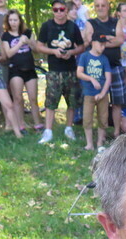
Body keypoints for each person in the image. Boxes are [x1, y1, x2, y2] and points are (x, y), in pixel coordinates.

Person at [36, 0, 85, 143]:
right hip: (54, 71)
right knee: (50, 102)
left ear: (66, 10)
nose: (59, 12)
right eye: (55, 9)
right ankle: (48, 131)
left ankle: (69, 129)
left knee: (72, 102)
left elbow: (81, 47)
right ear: (52, 11)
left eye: (61, 9)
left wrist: (71, 53)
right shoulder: (47, 26)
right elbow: (39, 46)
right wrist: (53, 51)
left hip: (70, 70)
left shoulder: (73, 26)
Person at [83, 0, 124, 139]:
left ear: (108, 7)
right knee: (99, 101)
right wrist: (109, 38)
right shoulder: (90, 22)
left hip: (115, 67)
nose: (100, 8)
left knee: (117, 102)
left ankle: (117, 132)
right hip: (95, 70)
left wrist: (102, 40)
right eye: (97, 6)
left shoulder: (116, 22)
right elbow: (90, 40)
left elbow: (120, 40)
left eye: (103, 5)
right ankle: (102, 134)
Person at [2, 9, 41, 133]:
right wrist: (19, 43)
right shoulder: (6, 36)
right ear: (8, 22)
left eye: (15, 20)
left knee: (33, 98)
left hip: (29, 69)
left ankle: (38, 124)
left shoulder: (28, 33)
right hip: (15, 70)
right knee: (18, 98)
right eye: (11, 20)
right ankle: (21, 124)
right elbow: (8, 54)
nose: (13, 22)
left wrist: (28, 41)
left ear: (20, 21)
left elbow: (36, 49)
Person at [78, 32, 111, 150]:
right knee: (87, 118)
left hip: (102, 95)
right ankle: (89, 143)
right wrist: (91, 79)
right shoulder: (85, 56)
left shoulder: (104, 59)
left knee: (103, 118)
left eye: (104, 45)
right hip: (88, 94)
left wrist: (103, 93)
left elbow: (108, 78)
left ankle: (100, 143)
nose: (103, 47)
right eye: (100, 44)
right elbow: (79, 73)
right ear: (93, 43)